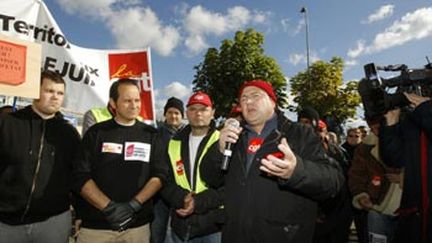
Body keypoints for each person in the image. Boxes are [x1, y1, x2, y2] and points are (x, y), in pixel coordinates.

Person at [201, 80, 344, 243]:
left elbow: (334, 181)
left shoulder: (300, 134)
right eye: (243, 98)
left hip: (283, 235)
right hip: (235, 234)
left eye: (255, 96)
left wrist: (296, 171)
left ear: (273, 102)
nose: (248, 101)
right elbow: (208, 177)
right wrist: (219, 151)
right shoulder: (232, 137)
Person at [73, 79, 165, 243]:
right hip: (97, 227)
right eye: (127, 100)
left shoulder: (152, 135)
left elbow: (159, 175)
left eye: (137, 100)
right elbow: (81, 175)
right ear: (113, 103)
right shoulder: (96, 133)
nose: (134, 105)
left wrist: (133, 205)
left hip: (137, 228)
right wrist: (108, 207)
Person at [0, 70, 81, 243]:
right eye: (49, 91)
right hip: (5, 222)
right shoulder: (8, 123)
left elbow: (76, 176)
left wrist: (80, 213)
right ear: (35, 91)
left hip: (53, 222)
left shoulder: (70, 134)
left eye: (60, 93)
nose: (55, 97)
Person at [160, 91, 223, 243]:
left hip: (213, 227)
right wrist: (181, 198)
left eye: (203, 109)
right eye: (193, 109)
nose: (198, 113)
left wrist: (198, 202)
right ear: (187, 113)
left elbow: (231, 186)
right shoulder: (173, 143)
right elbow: (165, 180)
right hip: (180, 226)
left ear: (212, 113)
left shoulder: (224, 141)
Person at [380, 92, 432, 243]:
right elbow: (395, 159)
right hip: (414, 218)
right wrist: (391, 123)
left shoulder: (424, 112)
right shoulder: (416, 116)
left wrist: (425, 109)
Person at [298, 111, 352, 243]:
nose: (305, 127)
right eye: (302, 123)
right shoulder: (297, 151)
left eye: (308, 123)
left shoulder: (338, 152)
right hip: (312, 215)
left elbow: (345, 179)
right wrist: (315, 212)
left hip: (338, 211)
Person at [348, 117, 402, 243]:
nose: (375, 132)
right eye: (371, 128)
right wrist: (361, 195)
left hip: (408, 212)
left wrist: (405, 178)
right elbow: (357, 174)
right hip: (376, 209)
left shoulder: (411, 140)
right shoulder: (365, 148)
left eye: (378, 128)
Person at [151, 97, 186, 243]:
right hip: (160, 192)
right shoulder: (155, 134)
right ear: (165, 114)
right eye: (170, 112)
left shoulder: (188, 134)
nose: (173, 116)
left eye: (177, 113)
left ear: (182, 116)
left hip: (181, 189)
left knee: (179, 233)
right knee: (157, 231)